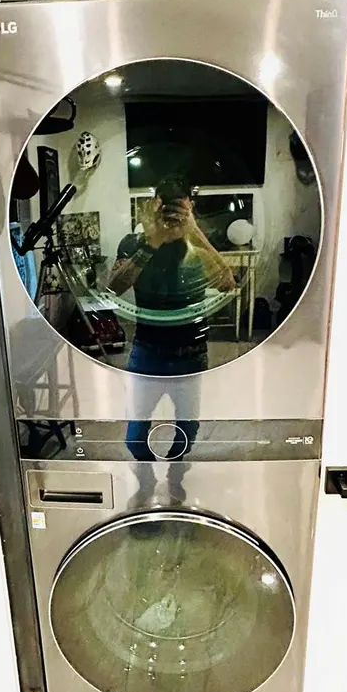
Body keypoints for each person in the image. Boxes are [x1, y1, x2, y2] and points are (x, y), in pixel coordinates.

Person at [107, 174, 235, 491]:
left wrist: (193, 231)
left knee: (187, 430)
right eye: (166, 206)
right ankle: (148, 480)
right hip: (147, 349)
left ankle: (175, 474)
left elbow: (227, 284)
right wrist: (153, 240)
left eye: (179, 206)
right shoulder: (134, 243)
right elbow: (114, 287)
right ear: (154, 206)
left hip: (191, 352)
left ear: (190, 207)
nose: (171, 214)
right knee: (135, 437)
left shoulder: (197, 243)